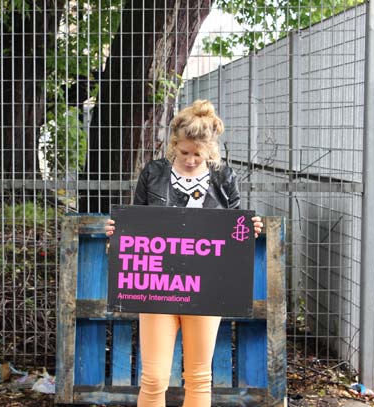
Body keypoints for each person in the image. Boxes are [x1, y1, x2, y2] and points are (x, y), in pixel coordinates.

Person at [104, 99, 263, 407]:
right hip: (157, 287)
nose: (190, 160)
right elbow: (137, 223)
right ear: (174, 144)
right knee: (154, 377)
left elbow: (233, 233)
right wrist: (118, 233)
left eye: (198, 154)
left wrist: (249, 230)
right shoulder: (153, 173)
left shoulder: (224, 178)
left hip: (205, 289)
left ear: (210, 150)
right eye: (184, 152)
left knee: (200, 376)